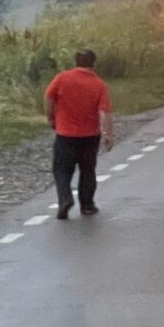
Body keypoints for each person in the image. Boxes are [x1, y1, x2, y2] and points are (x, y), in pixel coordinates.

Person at [45, 50, 114, 219]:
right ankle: (87, 206)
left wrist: (50, 117)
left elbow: (49, 97)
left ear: (76, 62)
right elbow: (104, 112)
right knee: (87, 170)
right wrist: (108, 134)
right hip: (90, 136)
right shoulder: (99, 84)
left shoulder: (62, 78)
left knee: (61, 170)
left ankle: (65, 199)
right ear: (94, 64)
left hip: (65, 134)